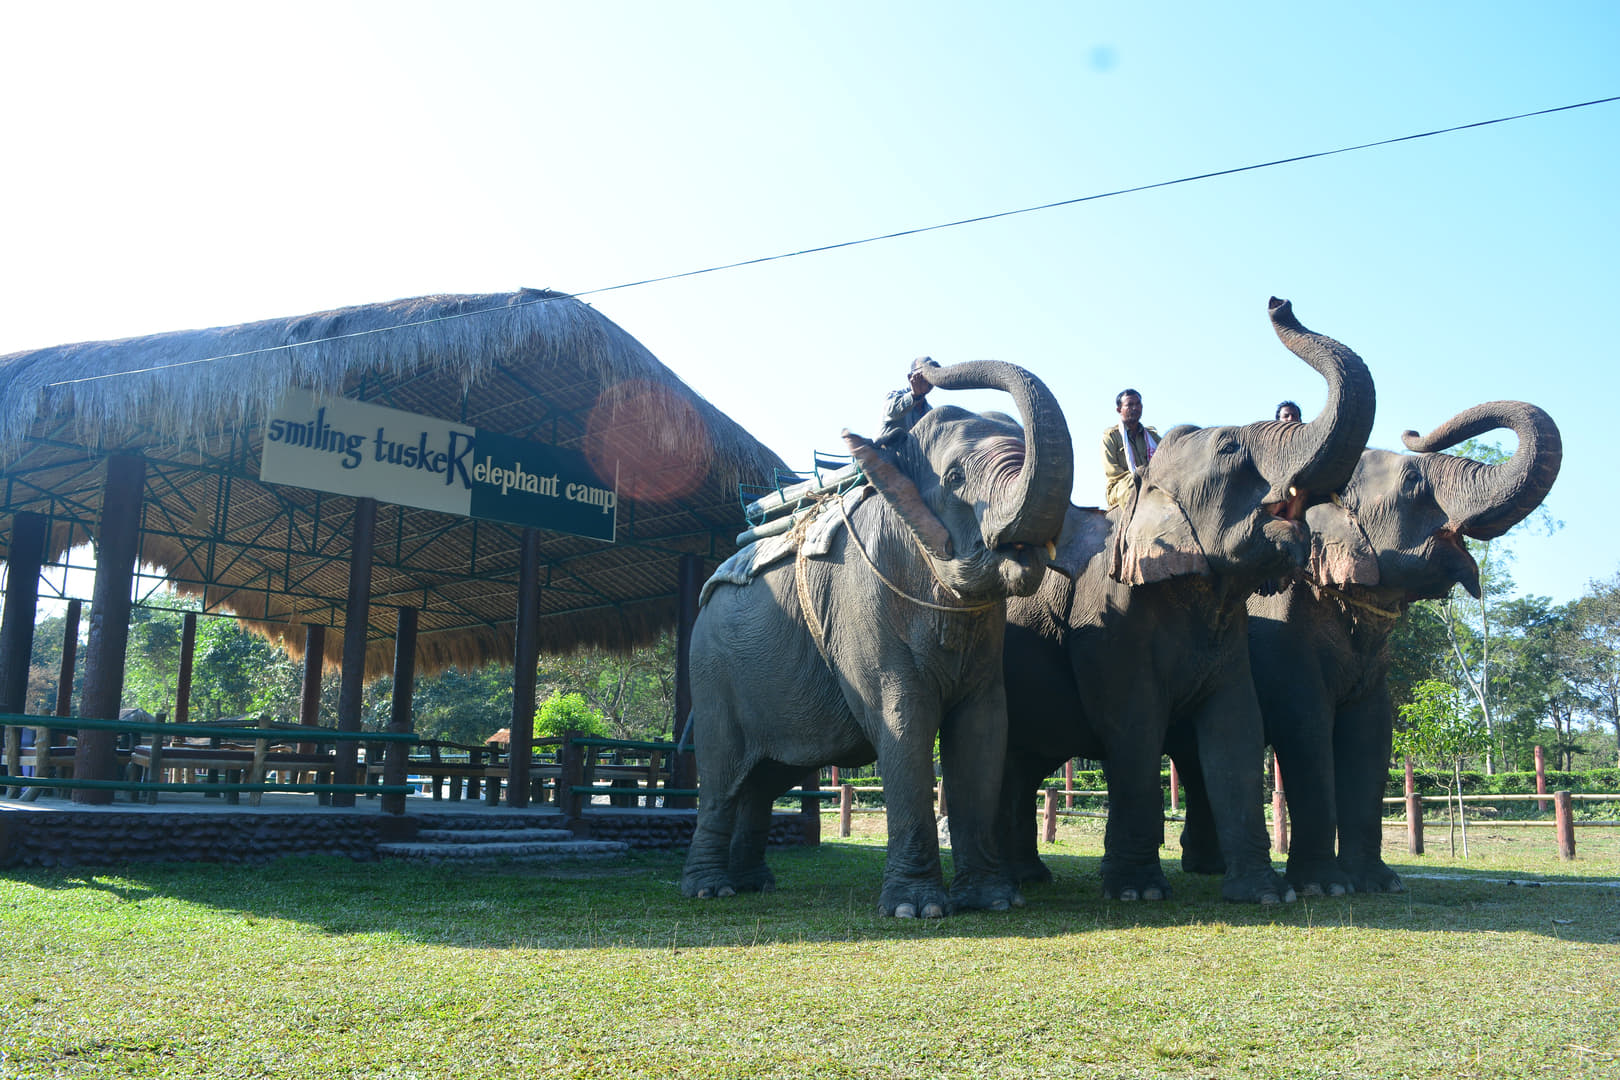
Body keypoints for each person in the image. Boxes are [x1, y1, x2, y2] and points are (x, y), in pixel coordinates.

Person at [1101, 388, 1159, 509]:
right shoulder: (1111, 437)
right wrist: (1142, 477)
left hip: (1152, 481)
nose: (1135, 408)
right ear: (1119, 410)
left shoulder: (1153, 437)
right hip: (1121, 485)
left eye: (1138, 404)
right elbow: (1114, 473)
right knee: (1132, 486)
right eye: (1130, 405)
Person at [874, 357, 939, 446]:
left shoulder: (930, 412)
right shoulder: (894, 396)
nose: (928, 381)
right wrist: (914, 395)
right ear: (910, 377)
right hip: (886, 456)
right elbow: (892, 411)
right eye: (923, 375)